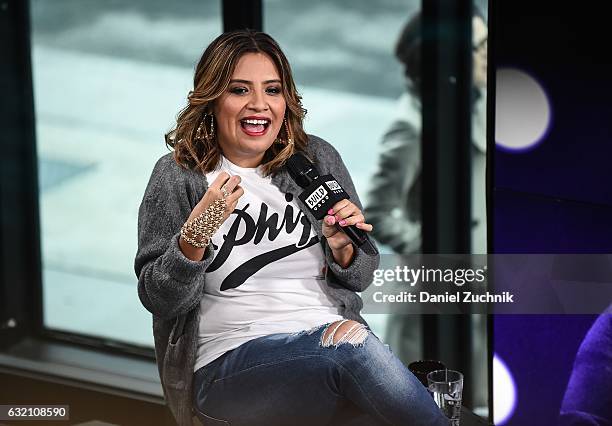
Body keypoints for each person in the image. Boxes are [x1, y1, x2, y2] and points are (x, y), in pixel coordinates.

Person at [135, 30, 447, 426]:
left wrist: (343, 248)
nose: (259, 105)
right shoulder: (180, 176)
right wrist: (196, 234)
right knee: (357, 350)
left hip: (330, 352)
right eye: (239, 90)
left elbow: (364, 273)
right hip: (230, 366)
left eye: (272, 90)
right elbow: (159, 299)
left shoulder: (315, 158)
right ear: (211, 99)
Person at [364, 10, 488, 255]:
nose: (488, 53)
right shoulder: (411, 126)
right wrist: (435, 249)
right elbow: (376, 214)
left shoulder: (478, 96)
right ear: (448, 57)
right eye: (480, 45)